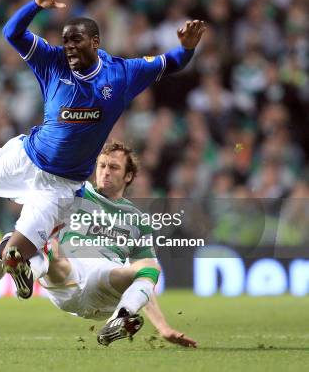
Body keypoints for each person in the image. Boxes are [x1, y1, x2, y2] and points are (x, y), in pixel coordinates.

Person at [0, 0, 205, 299]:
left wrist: (187, 48)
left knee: (16, 254)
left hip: (60, 185)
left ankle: (12, 252)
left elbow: (171, 62)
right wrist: (35, 6)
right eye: (65, 40)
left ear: (95, 42)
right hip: (27, 155)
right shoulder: (52, 62)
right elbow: (12, 32)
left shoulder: (122, 74)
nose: (67, 47)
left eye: (75, 40)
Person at [39, 142, 197, 347]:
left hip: (103, 285)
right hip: (68, 276)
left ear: (128, 176)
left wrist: (163, 328)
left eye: (113, 167)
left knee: (150, 267)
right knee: (50, 246)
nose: (105, 172)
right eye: (102, 165)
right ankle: (24, 272)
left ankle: (119, 318)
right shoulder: (78, 193)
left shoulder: (137, 221)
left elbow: (145, 282)